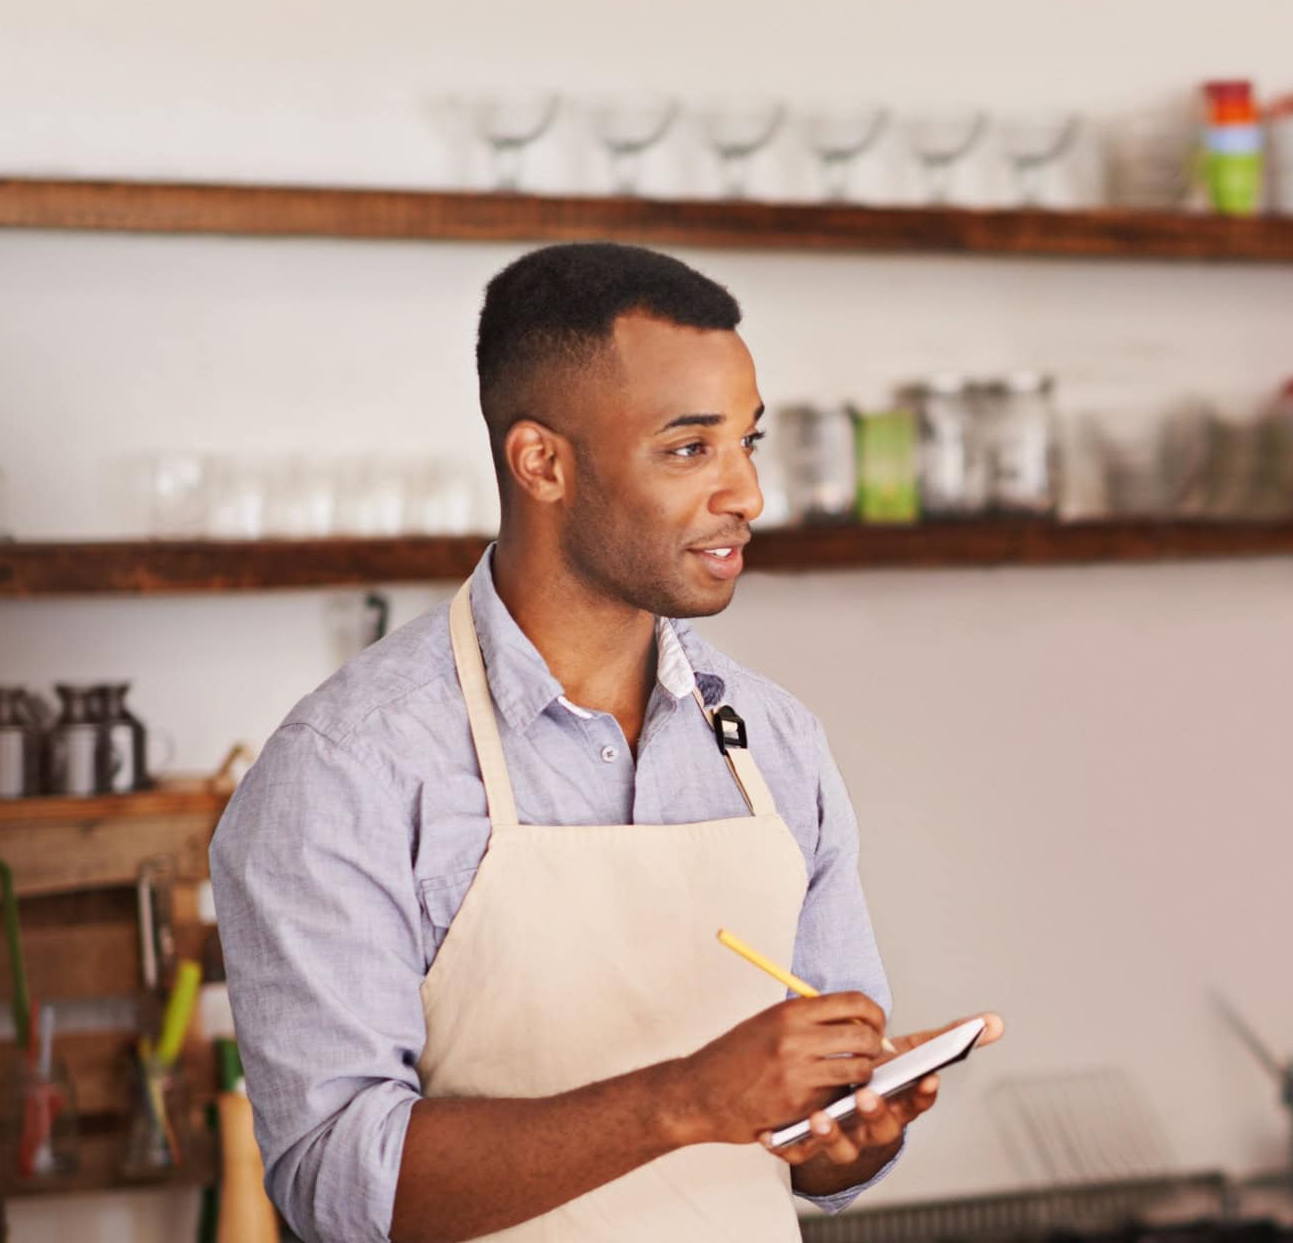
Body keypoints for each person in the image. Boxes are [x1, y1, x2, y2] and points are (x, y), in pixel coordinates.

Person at [211, 242, 998, 1243]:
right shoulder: (347, 768)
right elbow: (335, 1188)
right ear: (541, 462)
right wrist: (683, 1101)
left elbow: (826, 1153)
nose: (747, 495)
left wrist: (857, 1130)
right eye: (688, 450)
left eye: (747, 444)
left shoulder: (777, 745)